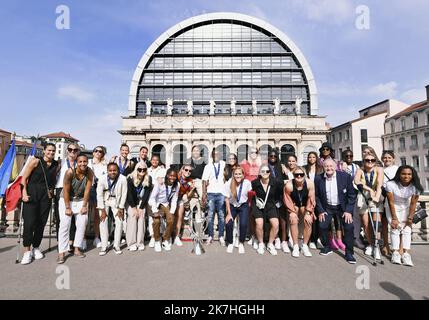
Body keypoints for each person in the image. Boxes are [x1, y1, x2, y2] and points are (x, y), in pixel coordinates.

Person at [20, 143, 60, 265]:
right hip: (32, 194)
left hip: (45, 196)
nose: (51, 153)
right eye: (49, 150)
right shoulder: (35, 161)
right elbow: (24, 178)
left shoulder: (56, 164)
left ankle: (36, 247)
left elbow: (53, 180)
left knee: (41, 223)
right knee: (29, 223)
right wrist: (24, 193)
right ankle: (27, 251)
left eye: (53, 151)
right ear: (44, 151)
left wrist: (52, 191)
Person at [314, 159, 357, 264]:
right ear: (323, 167)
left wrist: (348, 211)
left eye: (331, 166)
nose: (329, 168)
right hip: (327, 207)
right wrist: (320, 210)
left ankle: (349, 252)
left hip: (342, 208)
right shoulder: (318, 178)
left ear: (335, 166)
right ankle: (327, 246)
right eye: (326, 166)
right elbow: (317, 196)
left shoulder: (345, 177)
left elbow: (352, 195)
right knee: (322, 225)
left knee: (349, 227)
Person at [57, 154, 94, 264]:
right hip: (66, 200)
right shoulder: (69, 172)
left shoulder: (90, 172)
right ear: (76, 163)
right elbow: (66, 190)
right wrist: (68, 207)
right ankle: (61, 253)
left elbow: (87, 190)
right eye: (80, 162)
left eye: (85, 161)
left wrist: (84, 206)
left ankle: (77, 249)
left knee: (82, 223)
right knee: (65, 224)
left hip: (81, 200)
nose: (83, 164)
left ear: (87, 162)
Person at [385, 165, 422, 266]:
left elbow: (413, 204)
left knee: (407, 229)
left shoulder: (415, 186)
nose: (407, 176)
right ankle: (396, 253)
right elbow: (391, 202)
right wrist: (394, 218)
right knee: (395, 228)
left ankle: (406, 254)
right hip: (392, 207)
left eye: (409, 174)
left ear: (412, 175)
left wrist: (410, 218)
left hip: (406, 206)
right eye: (404, 174)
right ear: (399, 174)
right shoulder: (390, 184)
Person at [354, 153, 384, 260]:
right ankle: (371, 244)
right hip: (363, 196)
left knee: (377, 224)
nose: (370, 162)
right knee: (366, 223)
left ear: (375, 161)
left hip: (376, 195)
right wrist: (369, 189)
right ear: (364, 161)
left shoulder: (379, 169)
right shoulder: (360, 170)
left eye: (372, 160)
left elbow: (380, 184)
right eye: (367, 160)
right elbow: (357, 181)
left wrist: (376, 196)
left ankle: (377, 247)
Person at [96, 162, 128, 256]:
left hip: (116, 201)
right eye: (110, 170)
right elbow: (99, 194)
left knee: (119, 221)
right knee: (103, 221)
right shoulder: (102, 179)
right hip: (105, 200)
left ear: (118, 171)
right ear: (107, 171)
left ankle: (116, 245)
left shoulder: (122, 179)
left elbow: (124, 194)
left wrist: (121, 208)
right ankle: (104, 246)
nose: (112, 172)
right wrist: (102, 209)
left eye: (114, 170)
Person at [284, 166, 315, 257]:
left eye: (301, 174)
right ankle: (295, 246)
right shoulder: (289, 185)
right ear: (293, 175)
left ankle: (305, 245)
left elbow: (311, 199)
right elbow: (287, 200)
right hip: (294, 204)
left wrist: (309, 212)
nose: (299, 176)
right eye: (296, 174)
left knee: (308, 219)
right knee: (293, 218)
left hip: (305, 205)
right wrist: (292, 211)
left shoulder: (310, 184)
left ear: (304, 175)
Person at [252, 165, 282, 255]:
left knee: (275, 224)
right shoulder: (254, 183)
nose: (265, 173)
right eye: (263, 171)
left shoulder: (275, 182)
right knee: (259, 223)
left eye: (267, 171)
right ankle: (261, 243)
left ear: (270, 173)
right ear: (260, 173)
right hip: (258, 205)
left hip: (271, 205)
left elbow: (279, 194)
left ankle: (270, 243)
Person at [54, 143, 79, 247]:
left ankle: (71, 241)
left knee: (72, 217)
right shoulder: (61, 162)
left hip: (74, 191)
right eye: (70, 149)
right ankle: (61, 241)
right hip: (60, 189)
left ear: (78, 152)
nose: (72, 151)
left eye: (75, 150)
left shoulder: (80, 163)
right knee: (60, 218)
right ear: (67, 151)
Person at [148, 168, 179, 252]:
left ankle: (165, 239)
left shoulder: (177, 185)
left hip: (165, 204)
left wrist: (172, 212)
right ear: (167, 175)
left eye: (174, 176)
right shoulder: (160, 183)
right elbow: (152, 198)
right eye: (170, 175)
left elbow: (174, 199)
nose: (172, 178)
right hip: (155, 203)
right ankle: (157, 240)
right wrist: (155, 211)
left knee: (170, 220)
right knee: (157, 221)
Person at [339, 150, 364, 250]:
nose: (349, 157)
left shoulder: (356, 166)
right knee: (343, 218)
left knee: (355, 218)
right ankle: (344, 239)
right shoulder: (340, 165)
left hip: (354, 194)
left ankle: (356, 238)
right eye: (346, 156)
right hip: (342, 195)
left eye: (351, 155)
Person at [126, 162, 153, 251]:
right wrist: (134, 208)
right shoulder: (130, 178)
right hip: (131, 202)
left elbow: (146, 194)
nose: (142, 171)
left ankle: (140, 242)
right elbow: (129, 194)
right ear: (136, 169)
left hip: (141, 201)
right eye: (139, 169)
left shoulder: (148, 178)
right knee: (133, 217)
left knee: (141, 217)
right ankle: (131, 243)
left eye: (144, 169)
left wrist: (141, 208)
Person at [225, 166, 252, 254]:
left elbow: (249, 195)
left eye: (240, 174)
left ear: (243, 175)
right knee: (229, 223)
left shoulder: (247, 183)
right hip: (232, 206)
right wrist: (229, 214)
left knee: (243, 224)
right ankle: (230, 242)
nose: (238, 176)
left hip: (243, 205)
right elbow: (227, 199)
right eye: (236, 174)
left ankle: (241, 242)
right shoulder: (229, 182)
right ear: (233, 175)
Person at [202, 148, 227, 245]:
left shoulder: (224, 164)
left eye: (217, 153)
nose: (216, 155)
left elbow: (228, 176)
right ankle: (210, 236)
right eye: (214, 154)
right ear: (211, 155)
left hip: (221, 193)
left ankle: (221, 236)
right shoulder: (208, 166)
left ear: (220, 155)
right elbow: (204, 180)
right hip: (211, 193)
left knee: (221, 216)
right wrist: (204, 194)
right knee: (210, 216)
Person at [240, 147, 261, 248]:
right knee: (249, 214)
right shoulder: (244, 164)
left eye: (255, 152)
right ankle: (251, 235)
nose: (253, 154)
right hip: (247, 192)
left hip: (257, 191)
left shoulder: (260, 164)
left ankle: (256, 236)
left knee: (256, 214)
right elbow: (240, 177)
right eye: (251, 152)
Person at [88, 146, 108, 249]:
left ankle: (96, 237)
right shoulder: (88, 163)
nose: (98, 153)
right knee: (85, 214)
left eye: (100, 151)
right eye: (96, 151)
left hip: (99, 191)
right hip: (88, 189)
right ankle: (82, 238)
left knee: (97, 215)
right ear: (93, 153)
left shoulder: (105, 165)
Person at [303, 151, 323, 249]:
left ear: (316, 158)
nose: (311, 159)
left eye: (313, 157)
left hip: (318, 195)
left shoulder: (320, 169)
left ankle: (317, 238)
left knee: (318, 217)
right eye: (310, 157)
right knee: (310, 217)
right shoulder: (304, 168)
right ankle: (311, 239)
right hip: (308, 195)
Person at [174, 164, 197, 246]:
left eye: (190, 171)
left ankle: (177, 237)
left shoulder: (190, 181)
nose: (188, 172)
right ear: (182, 170)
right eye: (186, 170)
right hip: (172, 198)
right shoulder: (177, 176)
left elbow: (189, 195)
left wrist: (193, 189)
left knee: (179, 216)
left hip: (181, 199)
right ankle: (167, 237)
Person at [381, 150, 398, 256]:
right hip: (382, 198)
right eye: (385, 158)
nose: (387, 159)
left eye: (389, 158)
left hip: (394, 199)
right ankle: (385, 245)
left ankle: (396, 247)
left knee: (395, 223)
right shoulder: (380, 169)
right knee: (384, 224)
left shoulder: (397, 169)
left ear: (393, 159)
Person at [147, 154, 166, 247]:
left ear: (159, 161)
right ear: (150, 161)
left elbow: (162, 182)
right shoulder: (147, 170)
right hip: (150, 196)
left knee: (160, 217)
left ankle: (159, 235)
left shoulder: (163, 170)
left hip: (159, 197)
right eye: (153, 160)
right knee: (152, 217)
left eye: (157, 160)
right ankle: (152, 236)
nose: (155, 161)